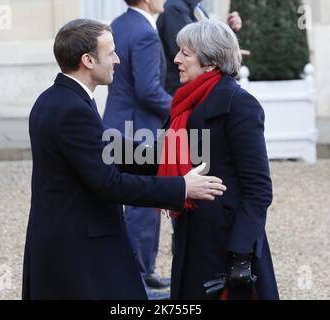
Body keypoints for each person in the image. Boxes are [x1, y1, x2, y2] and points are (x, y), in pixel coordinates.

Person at [22, 18, 226, 300]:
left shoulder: (57, 98)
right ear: (88, 60)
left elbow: (111, 148)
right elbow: (109, 183)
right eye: (111, 53)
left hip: (69, 239)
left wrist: (177, 154)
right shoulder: (71, 109)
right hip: (77, 249)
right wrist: (181, 187)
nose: (118, 60)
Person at [156, 20, 278, 300]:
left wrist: (241, 254)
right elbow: (162, 155)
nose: (176, 59)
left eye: (185, 53)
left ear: (210, 61)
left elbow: (259, 190)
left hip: (228, 244)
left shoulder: (239, 105)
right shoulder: (185, 103)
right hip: (191, 233)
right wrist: (109, 152)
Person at [103, 0, 172, 298]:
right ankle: (139, 279)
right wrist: (184, 108)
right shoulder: (145, 32)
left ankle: (144, 271)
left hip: (118, 122)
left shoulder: (118, 25)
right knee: (143, 205)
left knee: (133, 204)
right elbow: (148, 90)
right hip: (138, 128)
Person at [156, 0, 243, 95]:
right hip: (181, 91)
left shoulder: (196, 7)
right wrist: (223, 51)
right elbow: (188, 50)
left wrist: (229, 35)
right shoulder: (174, 8)